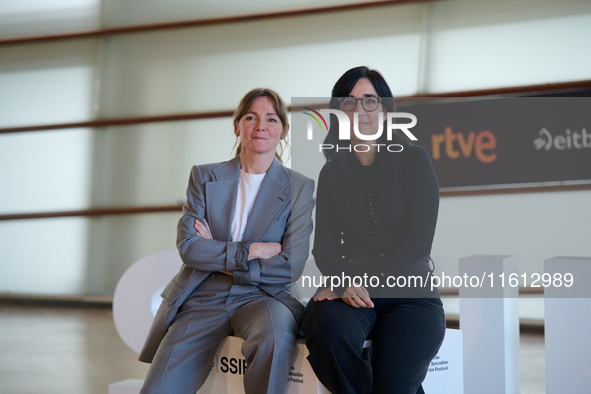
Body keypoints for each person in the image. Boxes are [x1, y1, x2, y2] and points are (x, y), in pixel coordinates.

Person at [138, 88, 315, 394]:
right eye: (251, 117)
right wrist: (253, 251)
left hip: (265, 297)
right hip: (204, 294)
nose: (261, 125)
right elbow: (190, 248)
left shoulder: (299, 187)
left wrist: (220, 256)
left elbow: (289, 267)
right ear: (237, 126)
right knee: (158, 388)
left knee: (274, 340)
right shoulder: (205, 178)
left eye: (271, 119)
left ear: (283, 131)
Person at [302, 66, 446, 394]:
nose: (359, 111)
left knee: (394, 382)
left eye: (369, 101)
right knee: (327, 331)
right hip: (351, 285)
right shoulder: (331, 173)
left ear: (385, 110)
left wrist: (358, 283)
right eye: (349, 102)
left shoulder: (414, 159)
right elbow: (323, 246)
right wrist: (340, 281)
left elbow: (418, 240)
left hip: (410, 290)